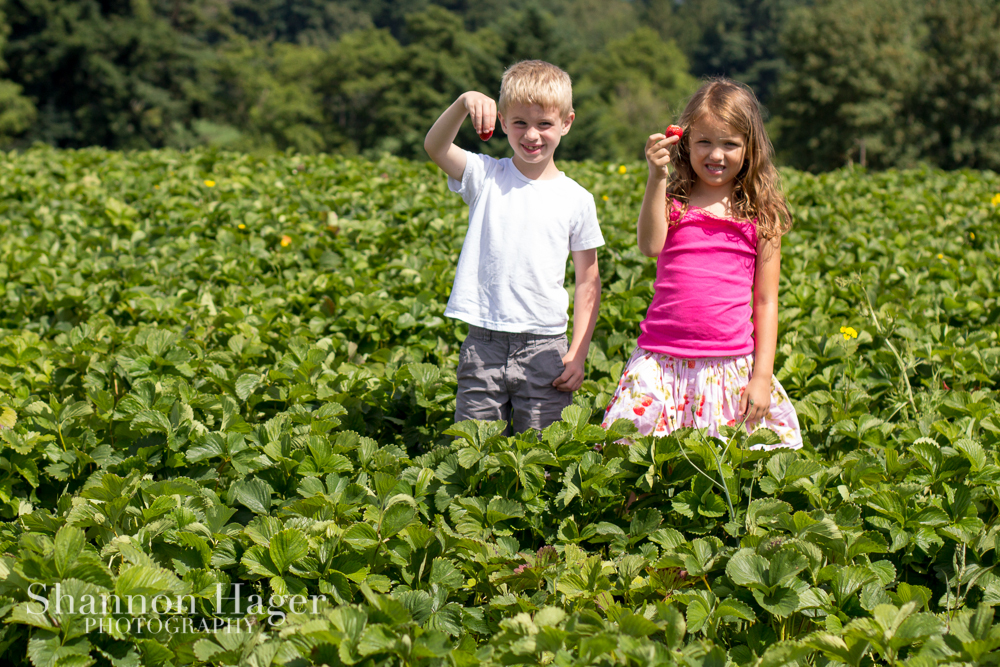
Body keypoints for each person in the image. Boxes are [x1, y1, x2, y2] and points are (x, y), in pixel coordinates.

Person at [601, 78, 802, 449]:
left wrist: (762, 376)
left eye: (730, 144)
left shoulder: (761, 215)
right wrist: (656, 177)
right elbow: (649, 246)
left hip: (729, 366)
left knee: (721, 465)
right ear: (686, 143)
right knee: (634, 457)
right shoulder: (673, 202)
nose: (716, 155)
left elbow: (766, 301)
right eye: (705, 142)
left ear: (750, 148)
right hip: (661, 359)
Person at [424, 60, 604, 434]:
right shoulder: (485, 175)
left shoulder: (577, 199)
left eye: (544, 124)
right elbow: (435, 147)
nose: (531, 135)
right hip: (483, 343)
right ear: (502, 122)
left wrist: (578, 352)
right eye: (520, 122)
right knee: (475, 449)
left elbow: (588, 280)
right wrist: (464, 102)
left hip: (546, 346)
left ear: (567, 123)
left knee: (543, 451)